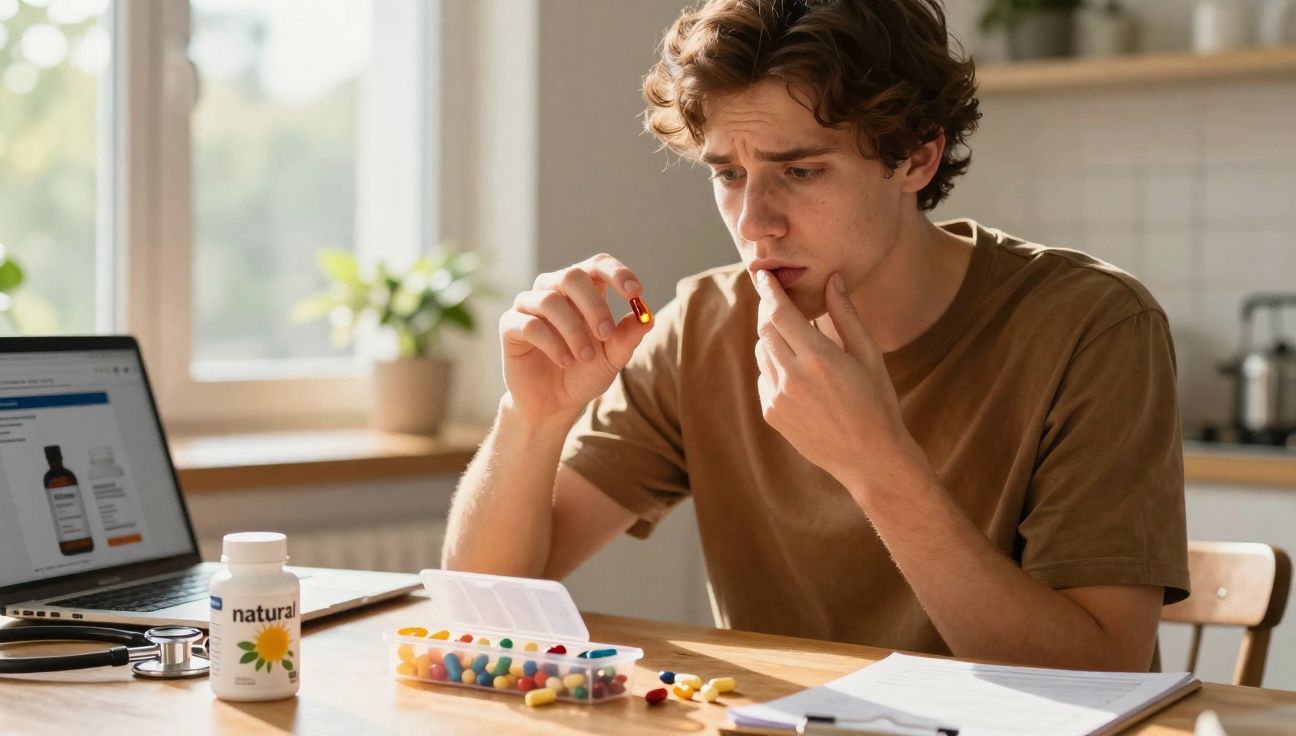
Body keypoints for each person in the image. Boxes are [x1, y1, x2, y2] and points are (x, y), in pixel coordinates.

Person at [443, 0, 1188, 671]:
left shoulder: (1093, 326)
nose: (754, 222)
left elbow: (1103, 676)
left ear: (917, 156)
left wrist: (877, 464)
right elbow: (483, 606)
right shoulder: (703, 326)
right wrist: (532, 418)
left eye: (798, 171)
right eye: (729, 175)